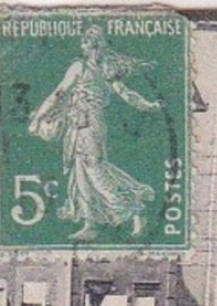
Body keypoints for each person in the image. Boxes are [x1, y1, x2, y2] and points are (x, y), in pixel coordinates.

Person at [28, 27, 162, 241]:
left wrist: (37, 118)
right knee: (81, 171)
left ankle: (134, 209)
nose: (89, 48)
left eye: (88, 44)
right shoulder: (106, 69)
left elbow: (57, 94)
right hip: (88, 124)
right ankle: (91, 223)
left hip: (86, 126)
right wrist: (149, 106)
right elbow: (128, 95)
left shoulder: (79, 67)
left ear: (89, 46)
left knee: (93, 171)